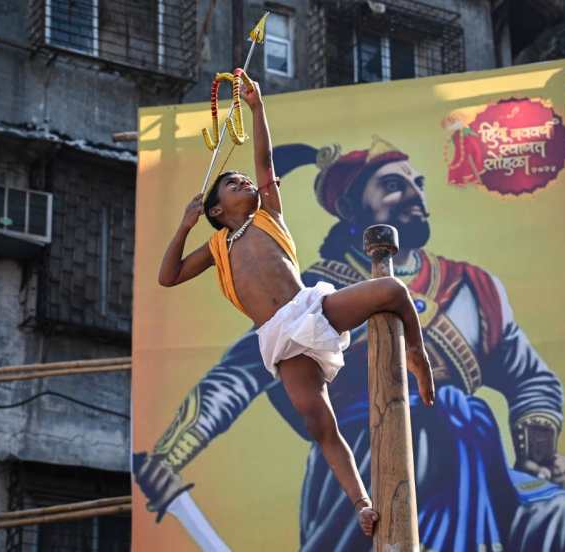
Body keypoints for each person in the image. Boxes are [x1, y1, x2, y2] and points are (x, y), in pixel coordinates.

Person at [136, 133, 565, 550]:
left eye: (417, 183)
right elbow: (236, 377)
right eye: (392, 184)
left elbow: (529, 376)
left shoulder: (476, 287)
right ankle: (366, 507)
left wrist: (537, 452)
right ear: (352, 208)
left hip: (480, 465)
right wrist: (168, 458)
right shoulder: (306, 289)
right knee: (395, 454)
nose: (411, 192)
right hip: (368, 452)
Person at [133, 77, 435, 538]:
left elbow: (267, 161)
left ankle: (417, 354)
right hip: (280, 338)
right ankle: (362, 503)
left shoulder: (268, 213)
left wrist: (257, 108)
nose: (246, 181)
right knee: (321, 425)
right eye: (234, 183)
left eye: (245, 179)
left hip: (311, 308)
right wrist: (183, 224)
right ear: (217, 209)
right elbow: (167, 276)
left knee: (392, 291)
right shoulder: (215, 245)